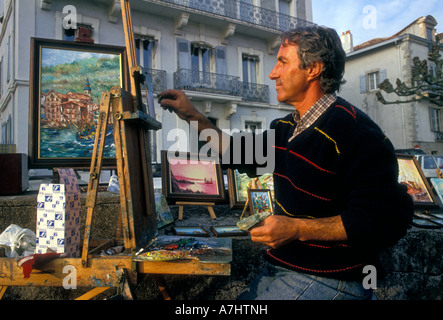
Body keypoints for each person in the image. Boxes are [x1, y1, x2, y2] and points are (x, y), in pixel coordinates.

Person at [158, 25, 414, 300]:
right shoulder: (285, 128)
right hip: (286, 269)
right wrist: (193, 116)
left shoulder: (355, 132)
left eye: (282, 62)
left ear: (313, 69)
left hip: (334, 280)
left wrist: (295, 229)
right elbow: (235, 151)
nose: (272, 73)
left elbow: (385, 218)